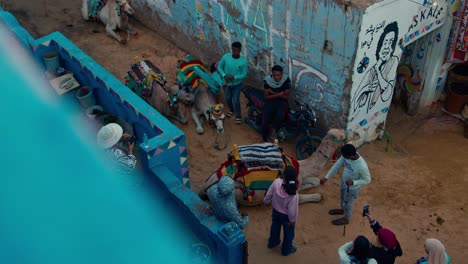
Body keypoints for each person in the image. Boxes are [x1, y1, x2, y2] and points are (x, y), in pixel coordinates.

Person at [320, 144, 371, 225]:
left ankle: (346, 218)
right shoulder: (346, 156)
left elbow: (367, 180)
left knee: (348, 203)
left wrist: (354, 182)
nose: (342, 157)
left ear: (350, 156)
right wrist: (326, 177)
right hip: (344, 183)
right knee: (343, 198)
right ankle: (342, 210)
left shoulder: (362, 166)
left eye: (343, 155)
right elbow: (337, 165)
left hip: (352, 189)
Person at [264, 166, 299, 256]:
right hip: (287, 217)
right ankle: (286, 250)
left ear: (284, 176)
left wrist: (267, 201)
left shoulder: (276, 182)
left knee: (275, 227)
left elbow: (269, 193)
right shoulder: (293, 194)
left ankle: (273, 242)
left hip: (275, 211)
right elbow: (292, 210)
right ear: (295, 178)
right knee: (288, 233)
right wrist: (292, 220)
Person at [217, 41, 248, 125]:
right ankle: (231, 110)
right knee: (227, 98)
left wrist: (234, 77)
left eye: (237, 50)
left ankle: (238, 116)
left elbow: (244, 74)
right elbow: (219, 67)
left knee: (236, 99)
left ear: (240, 50)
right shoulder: (226, 57)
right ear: (232, 49)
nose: (235, 52)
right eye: (234, 50)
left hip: (237, 84)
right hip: (226, 84)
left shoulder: (244, 61)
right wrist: (224, 75)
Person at [262, 65, 291, 142]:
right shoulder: (267, 80)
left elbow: (286, 97)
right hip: (270, 101)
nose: (276, 77)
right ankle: (264, 139)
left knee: (280, 115)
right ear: (272, 74)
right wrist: (279, 94)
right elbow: (266, 97)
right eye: (274, 75)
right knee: (265, 121)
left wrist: (272, 92)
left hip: (282, 102)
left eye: (278, 75)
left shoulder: (286, 80)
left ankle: (274, 130)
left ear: (282, 74)